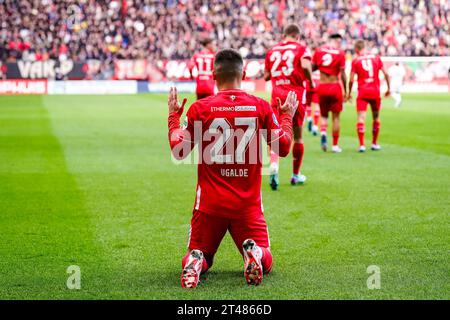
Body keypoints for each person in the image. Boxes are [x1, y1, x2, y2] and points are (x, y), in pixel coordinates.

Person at [168, 49, 299, 288]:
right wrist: (288, 116)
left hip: (209, 205)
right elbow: (283, 148)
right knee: (267, 260)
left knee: (201, 252)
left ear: (213, 76)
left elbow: (179, 150)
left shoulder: (200, 108)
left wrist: (173, 118)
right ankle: (255, 254)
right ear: (244, 74)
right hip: (246, 206)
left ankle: (196, 260)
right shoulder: (260, 106)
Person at [264, 24, 314, 189]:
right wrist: (311, 82)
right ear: (297, 36)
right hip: (295, 94)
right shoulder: (301, 48)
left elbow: (265, 76)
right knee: (298, 136)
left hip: (277, 94)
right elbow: (306, 66)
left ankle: (274, 166)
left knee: (275, 134)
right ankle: (295, 175)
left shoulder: (272, 51)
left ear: (284, 35)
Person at [347, 40, 391, 152]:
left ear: (356, 49)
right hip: (375, 92)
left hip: (362, 92)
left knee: (361, 118)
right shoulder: (376, 58)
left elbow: (351, 79)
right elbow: (386, 73)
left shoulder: (356, 60)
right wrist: (388, 89)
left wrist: (349, 92)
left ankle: (362, 145)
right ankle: (374, 143)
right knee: (376, 117)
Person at [312, 34, 347, 153]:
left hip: (322, 86)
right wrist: (346, 90)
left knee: (324, 115)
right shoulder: (340, 53)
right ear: (337, 41)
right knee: (336, 118)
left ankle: (323, 133)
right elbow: (342, 74)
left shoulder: (319, 51)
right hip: (334, 86)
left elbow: (312, 68)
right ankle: (335, 146)